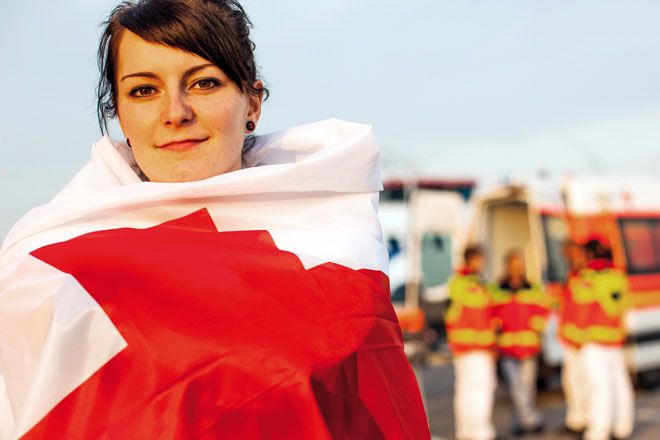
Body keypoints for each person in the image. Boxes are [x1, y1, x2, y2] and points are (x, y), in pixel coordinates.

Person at [0, 1, 430, 439]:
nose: (175, 112)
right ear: (119, 114)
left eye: (204, 83)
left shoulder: (331, 235)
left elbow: (370, 409)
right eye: (144, 90)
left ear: (252, 103)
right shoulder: (44, 262)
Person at [570, 239, 634, 440]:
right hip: (614, 340)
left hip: (593, 342)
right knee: (619, 385)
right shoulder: (618, 277)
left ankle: (598, 431)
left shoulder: (586, 279)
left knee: (598, 387)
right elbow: (625, 307)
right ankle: (622, 427)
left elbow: (579, 307)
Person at [491, 250, 550, 436]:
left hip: (528, 346)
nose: (516, 269)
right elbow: (491, 311)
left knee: (527, 386)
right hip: (507, 346)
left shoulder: (532, 287)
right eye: (513, 265)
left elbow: (543, 310)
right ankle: (532, 419)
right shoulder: (498, 288)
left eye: (519, 265)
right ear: (507, 266)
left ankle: (519, 422)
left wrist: (537, 326)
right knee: (516, 386)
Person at [445, 245, 497, 440]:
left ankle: (465, 431)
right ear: (473, 260)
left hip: (461, 347)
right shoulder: (474, 286)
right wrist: (491, 343)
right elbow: (481, 317)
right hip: (478, 347)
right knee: (481, 389)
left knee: (464, 389)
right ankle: (482, 433)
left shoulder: (455, 282)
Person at [558, 239, 588, 435]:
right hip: (570, 338)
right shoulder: (572, 274)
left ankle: (584, 420)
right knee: (570, 381)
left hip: (581, 339)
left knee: (581, 381)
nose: (567, 256)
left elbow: (584, 310)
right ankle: (576, 418)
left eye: (571, 252)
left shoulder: (586, 276)